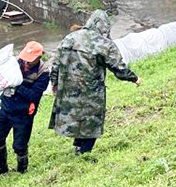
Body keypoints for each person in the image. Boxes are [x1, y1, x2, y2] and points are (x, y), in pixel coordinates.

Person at [49, 10, 140, 155]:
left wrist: (54, 83)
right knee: (92, 121)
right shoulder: (103, 43)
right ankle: (84, 153)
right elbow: (117, 66)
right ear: (104, 27)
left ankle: (78, 146)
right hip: (91, 91)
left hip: (69, 88)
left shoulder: (69, 38)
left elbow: (56, 64)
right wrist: (134, 78)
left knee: (75, 116)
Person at [0, 41, 50, 180]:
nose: (26, 64)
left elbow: (34, 95)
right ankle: (0, 168)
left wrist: (16, 85)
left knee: (19, 145)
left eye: (30, 62)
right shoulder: (14, 63)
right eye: (25, 60)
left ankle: (22, 170)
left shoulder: (43, 73)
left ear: (39, 58)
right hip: (6, 108)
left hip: (24, 113)